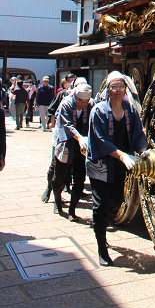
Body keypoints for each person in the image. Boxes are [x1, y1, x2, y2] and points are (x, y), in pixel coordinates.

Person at [87, 71, 147, 266]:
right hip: (101, 163)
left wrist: (143, 150)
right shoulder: (98, 111)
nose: (118, 90)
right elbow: (101, 140)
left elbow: (138, 132)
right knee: (101, 204)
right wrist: (121, 155)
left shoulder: (129, 109)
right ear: (108, 90)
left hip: (121, 164)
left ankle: (103, 225)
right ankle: (101, 246)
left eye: (121, 86)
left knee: (117, 201)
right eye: (114, 86)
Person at [52, 80, 94, 220]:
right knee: (59, 177)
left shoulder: (91, 104)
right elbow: (67, 124)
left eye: (85, 101)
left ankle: (72, 210)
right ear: (74, 95)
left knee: (79, 179)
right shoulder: (66, 103)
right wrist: (79, 137)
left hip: (82, 147)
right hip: (66, 142)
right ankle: (57, 202)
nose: (82, 104)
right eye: (79, 101)